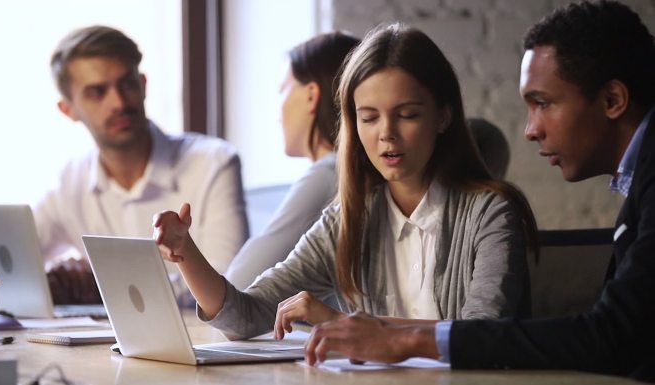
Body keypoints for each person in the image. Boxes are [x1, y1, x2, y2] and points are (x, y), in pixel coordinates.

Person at [303, 1, 655, 382]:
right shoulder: (639, 180)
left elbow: (611, 336)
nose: (530, 130)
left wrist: (407, 339)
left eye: (542, 104)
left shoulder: (492, 211)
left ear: (612, 101)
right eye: (368, 117)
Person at [152, 23, 538, 340]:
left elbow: (481, 336)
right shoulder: (349, 218)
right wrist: (186, 252)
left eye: (407, 114)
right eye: (369, 118)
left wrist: (346, 326)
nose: (387, 134)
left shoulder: (491, 213)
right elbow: (244, 317)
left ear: (443, 117)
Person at [36, 25, 249, 305]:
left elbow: (227, 286)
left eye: (127, 84)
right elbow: (5, 269)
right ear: (68, 110)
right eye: (98, 92)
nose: (119, 102)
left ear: (144, 84)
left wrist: (102, 287)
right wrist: (51, 277)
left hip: (200, 344)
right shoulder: (70, 181)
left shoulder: (213, 163)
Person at [225, 32, 360, 291]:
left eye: (283, 90)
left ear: (311, 95)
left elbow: (238, 284)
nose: (278, 113)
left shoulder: (328, 174)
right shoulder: (346, 172)